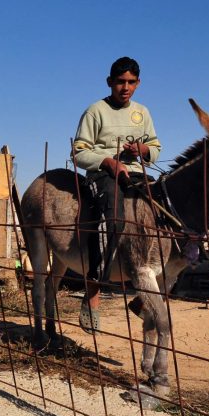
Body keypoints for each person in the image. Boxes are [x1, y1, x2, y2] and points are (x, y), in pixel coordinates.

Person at [71, 57, 161, 332]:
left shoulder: (142, 112)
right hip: (104, 174)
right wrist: (109, 162)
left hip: (136, 173)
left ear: (138, 83)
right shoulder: (95, 111)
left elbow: (156, 146)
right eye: (120, 82)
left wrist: (143, 151)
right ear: (110, 82)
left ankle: (146, 295)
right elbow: (79, 152)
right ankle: (93, 292)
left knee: (164, 214)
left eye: (131, 82)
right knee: (114, 220)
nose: (125, 87)